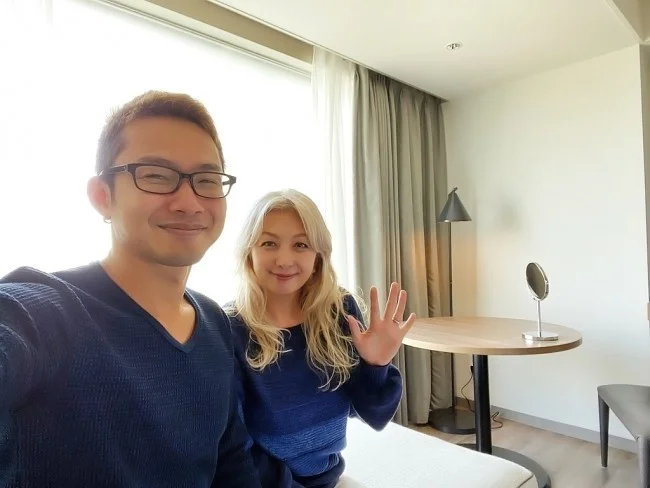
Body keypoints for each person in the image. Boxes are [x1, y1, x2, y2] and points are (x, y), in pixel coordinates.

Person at [0, 91, 261, 487]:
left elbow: (230, 460)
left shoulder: (215, 322)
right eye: (156, 175)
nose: (189, 202)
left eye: (207, 180)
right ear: (102, 196)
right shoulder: (45, 313)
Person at [226, 189, 417, 488]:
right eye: (269, 243)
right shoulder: (229, 329)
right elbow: (234, 446)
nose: (284, 259)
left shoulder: (339, 312)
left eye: (301, 244)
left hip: (328, 479)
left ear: (318, 257)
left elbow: (375, 416)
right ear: (249, 251)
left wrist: (376, 366)